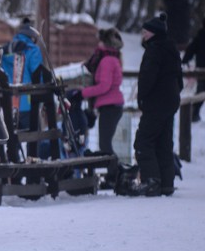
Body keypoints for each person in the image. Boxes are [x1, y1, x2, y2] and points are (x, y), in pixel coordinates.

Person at [130, 12, 183, 196]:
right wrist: (174, 95)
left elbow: (147, 78)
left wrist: (142, 98)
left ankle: (152, 181)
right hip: (171, 101)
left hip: (156, 102)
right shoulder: (172, 49)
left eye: (146, 32)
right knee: (163, 141)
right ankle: (166, 183)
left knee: (143, 141)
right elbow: (179, 78)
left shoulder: (154, 50)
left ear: (154, 33)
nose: (143, 35)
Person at [81, 28, 125, 187]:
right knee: (105, 143)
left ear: (104, 42)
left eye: (99, 40)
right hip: (111, 105)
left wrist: (83, 93)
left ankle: (116, 176)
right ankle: (115, 175)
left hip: (110, 106)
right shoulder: (111, 58)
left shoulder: (106, 61)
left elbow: (104, 86)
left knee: (105, 144)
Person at [1, 18, 45, 130]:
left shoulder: (5, 50)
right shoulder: (33, 50)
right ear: (32, 37)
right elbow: (37, 76)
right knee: (35, 141)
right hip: (28, 104)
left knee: (12, 142)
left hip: (8, 104)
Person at [182, 18, 205, 122]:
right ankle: (195, 113)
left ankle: (195, 112)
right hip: (202, 70)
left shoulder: (200, 36)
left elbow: (191, 49)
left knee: (201, 91)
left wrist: (185, 59)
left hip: (201, 69)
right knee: (201, 91)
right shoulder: (200, 36)